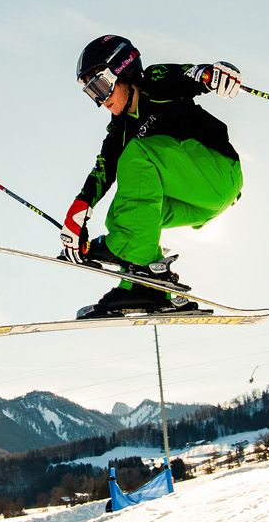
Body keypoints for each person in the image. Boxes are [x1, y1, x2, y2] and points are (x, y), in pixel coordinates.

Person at [62, 35, 245, 319]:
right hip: (195, 201)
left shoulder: (154, 82)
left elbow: (187, 77)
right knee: (125, 215)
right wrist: (79, 211)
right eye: (91, 94)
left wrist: (210, 75)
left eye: (100, 87)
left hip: (217, 172)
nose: (100, 100)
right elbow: (103, 169)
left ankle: (131, 258)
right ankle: (146, 287)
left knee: (137, 154)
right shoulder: (120, 130)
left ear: (121, 70)